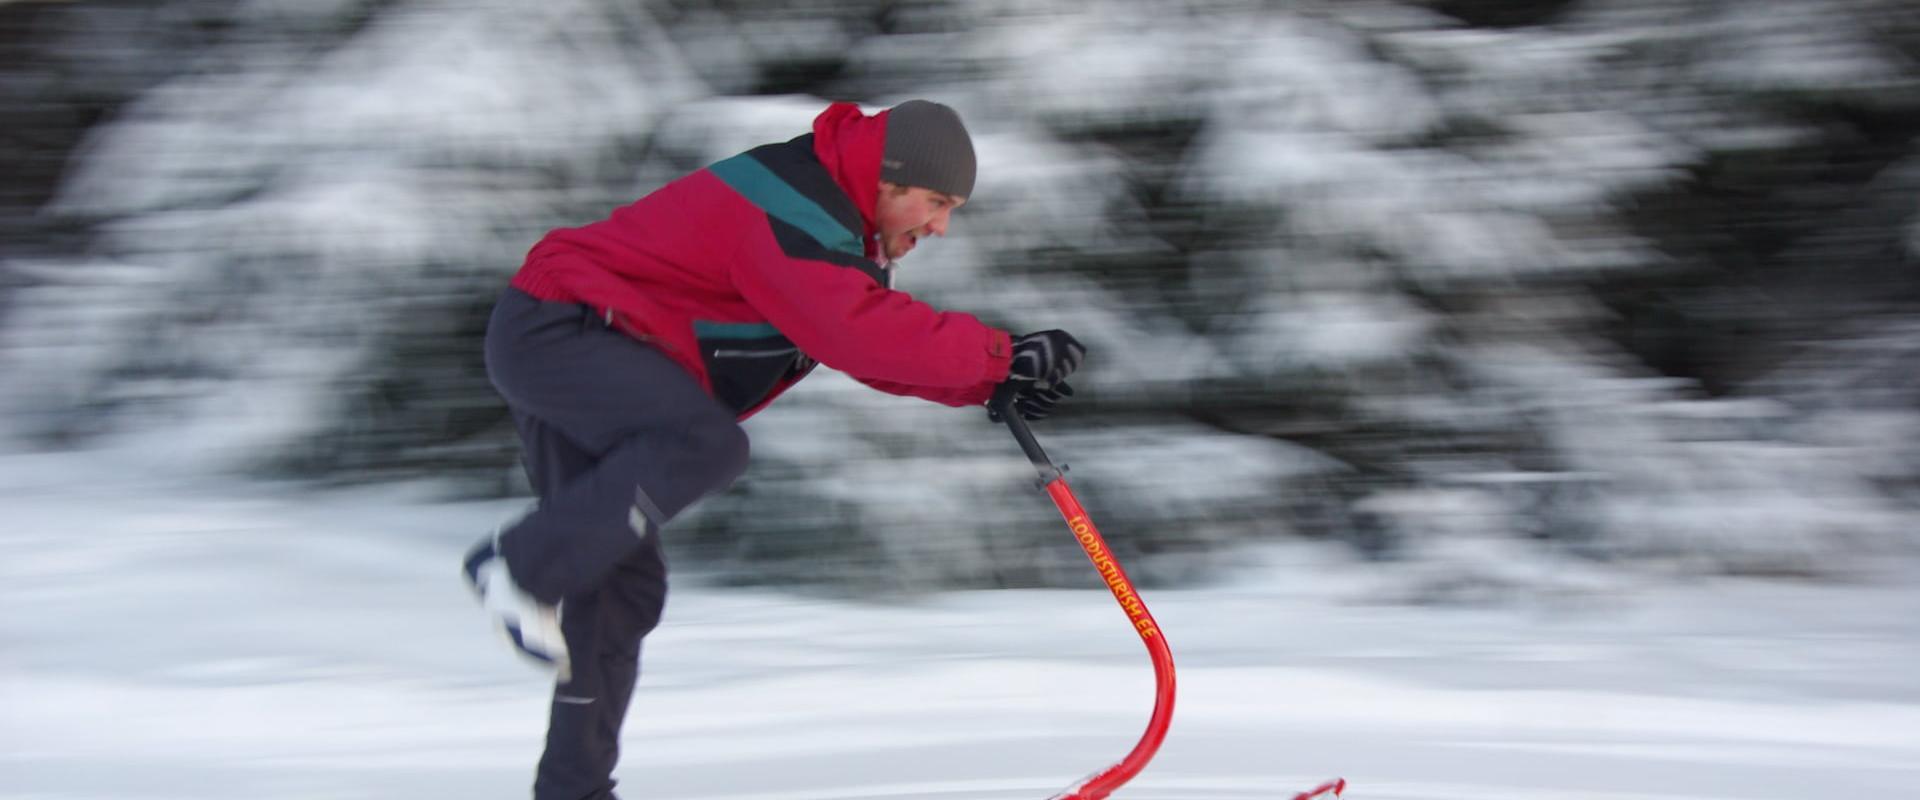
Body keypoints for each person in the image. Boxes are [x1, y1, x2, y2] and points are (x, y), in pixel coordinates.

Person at [461, 99, 1085, 800]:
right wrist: (1000, 355)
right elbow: (854, 330)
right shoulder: (792, 208)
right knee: (704, 445)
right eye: (936, 202)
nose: (940, 226)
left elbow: (849, 338)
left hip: (576, 341)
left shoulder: (830, 232)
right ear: (887, 179)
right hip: (565, 332)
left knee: (619, 591)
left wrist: (984, 382)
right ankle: (518, 566)